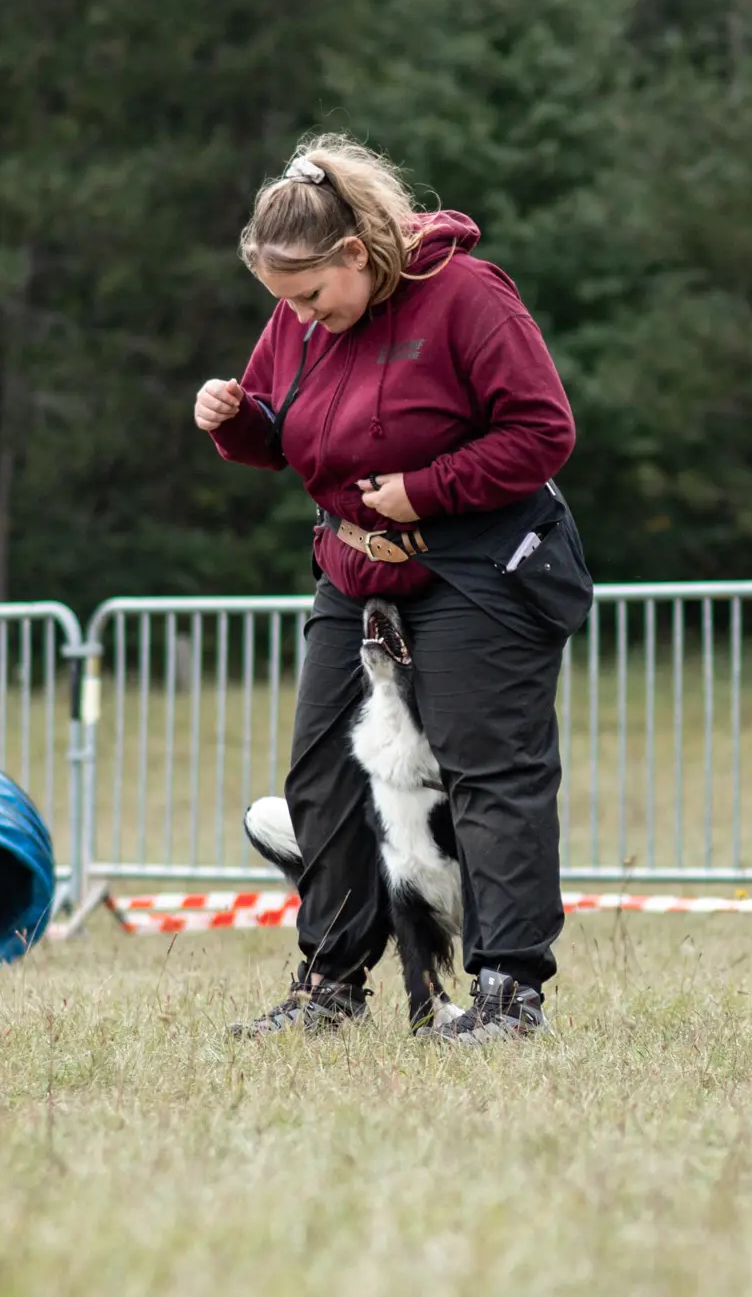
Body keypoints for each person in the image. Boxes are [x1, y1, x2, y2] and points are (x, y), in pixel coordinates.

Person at [194, 132, 593, 1046]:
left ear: (355, 253)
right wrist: (236, 420)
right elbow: (286, 429)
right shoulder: (300, 318)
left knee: (489, 767)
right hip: (354, 567)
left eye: (309, 295)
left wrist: (426, 488)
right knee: (319, 773)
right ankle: (332, 981)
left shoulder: (466, 296)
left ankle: (506, 991)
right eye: (281, 302)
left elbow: (542, 431)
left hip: (478, 563)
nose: (298, 316)